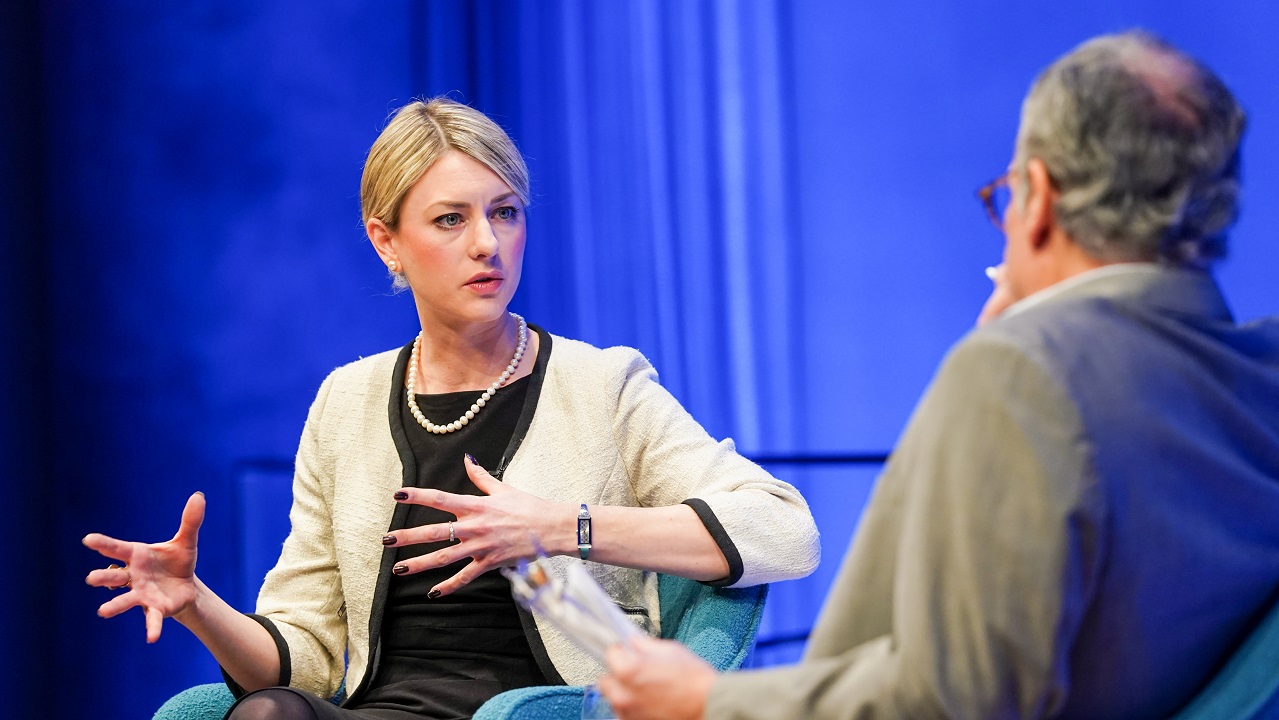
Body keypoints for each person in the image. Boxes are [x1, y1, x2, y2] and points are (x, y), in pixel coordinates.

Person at [599, 31, 1279, 720]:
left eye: (1006, 194)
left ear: (1036, 199)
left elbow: (952, 703)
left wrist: (704, 700)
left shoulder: (1022, 373)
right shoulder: (1258, 376)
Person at [83, 98, 821, 720]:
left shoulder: (603, 385)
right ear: (387, 242)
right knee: (266, 712)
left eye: (504, 213)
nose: (485, 244)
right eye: (449, 220)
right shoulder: (348, 401)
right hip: (382, 709)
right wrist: (194, 603)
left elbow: (785, 531)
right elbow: (301, 658)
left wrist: (562, 527)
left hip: (535, 710)